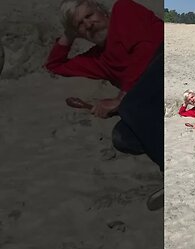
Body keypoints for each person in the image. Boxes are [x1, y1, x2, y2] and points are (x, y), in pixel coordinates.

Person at [44, 0, 164, 210]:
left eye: (89, 16)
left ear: (101, 11)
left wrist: (121, 98)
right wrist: (69, 34)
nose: (88, 24)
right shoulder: (98, 59)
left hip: (165, 59)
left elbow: (147, 48)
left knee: (130, 106)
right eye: (80, 24)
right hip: (148, 97)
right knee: (122, 137)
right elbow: (55, 65)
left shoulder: (123, 10)